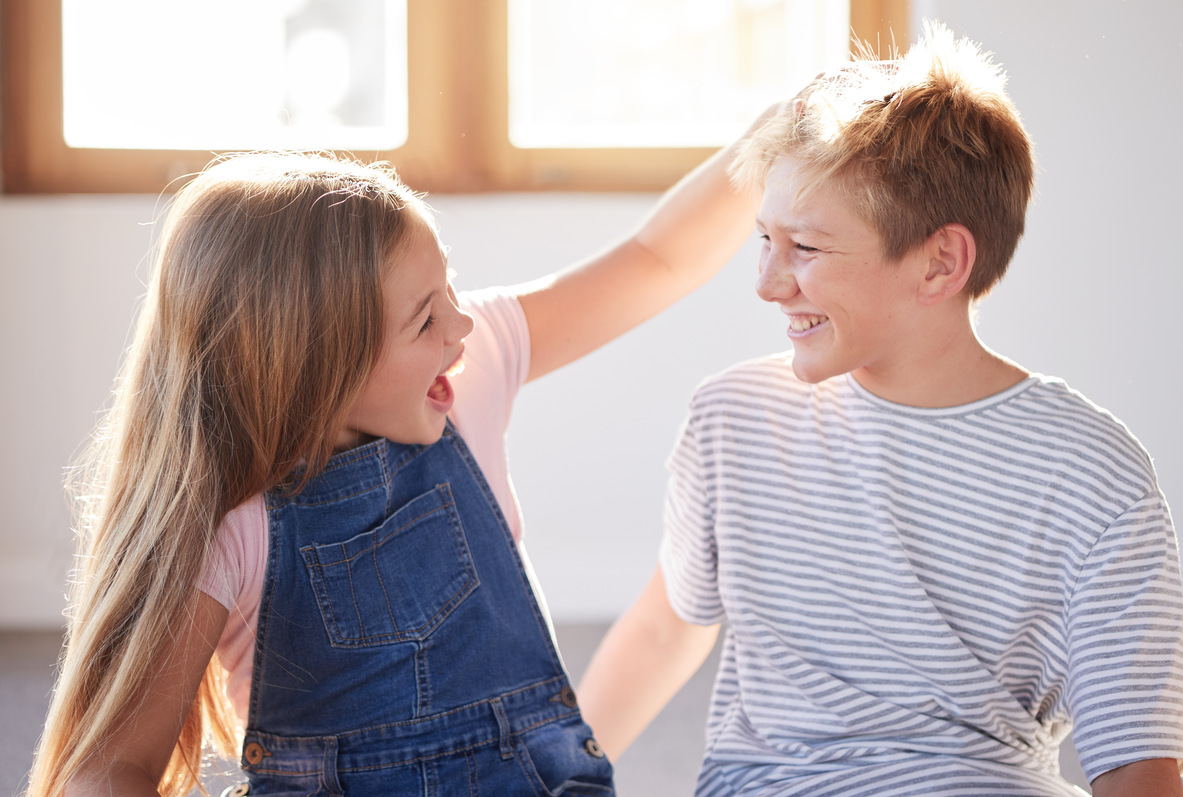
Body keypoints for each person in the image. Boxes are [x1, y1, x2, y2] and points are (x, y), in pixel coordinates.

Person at [26, 123, 766, 796]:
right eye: (426, 317)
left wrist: (770, 139)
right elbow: (107, 767)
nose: (464, 322)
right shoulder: (234, 527)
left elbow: (655, 259)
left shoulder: (466, 374)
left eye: (450, 289)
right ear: (317, 366)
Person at [575, 23, 1183, 797]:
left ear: (940, 262)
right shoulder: (732, 418)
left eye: (806, 247)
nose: (767, 281)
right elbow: (667, 627)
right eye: (762, 237)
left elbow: (1136, 761)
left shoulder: (1092, 471)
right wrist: (556, 781)